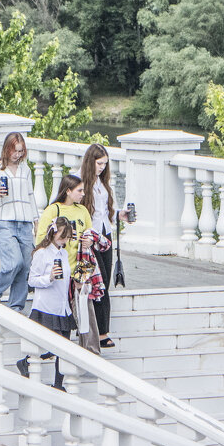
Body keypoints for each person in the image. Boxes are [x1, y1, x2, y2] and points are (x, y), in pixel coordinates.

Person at [15, 216, 76, 389]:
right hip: (45, 306)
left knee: (64, 349)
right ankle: (26, 362)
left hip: (62, 306)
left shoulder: (63, 253)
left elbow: (64, 279)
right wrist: (49, 278)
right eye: (62, 236)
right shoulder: (41, 253)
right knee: (49, 346)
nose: (65, 240)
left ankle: (59, 384)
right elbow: (32, 280)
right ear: (53, 233)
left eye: (67, 237)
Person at [78, 143, 130, 349]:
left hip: (104, 236)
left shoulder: (102, 183)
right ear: (91, 161)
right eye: (99, 163)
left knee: (104, 282)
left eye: (105, 164)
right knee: (89, 282)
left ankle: (101, 330)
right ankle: (94, 330)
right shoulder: (78, 180)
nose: (102, 167)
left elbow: (104, 211)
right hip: (87, 240)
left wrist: (119, 215)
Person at [0, 132, 39, 311]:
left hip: (25, 222)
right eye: (15, 151)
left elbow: (31, 196)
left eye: (21, 151)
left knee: (25, 267)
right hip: (4, 221)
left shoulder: (25, 169)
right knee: (14, 262)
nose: (18, 155)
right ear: (7, 149)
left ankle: (16, 306)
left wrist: (36, 219)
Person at [35, 174, 92, 267]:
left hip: (79, 267)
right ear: (68, 191)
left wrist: (89, 240)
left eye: (83, 190)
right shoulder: (53, 210)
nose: (83, 194)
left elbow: (90, 232)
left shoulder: (83, 210)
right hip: (57, 265)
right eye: (79, 190)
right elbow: (40, 238)